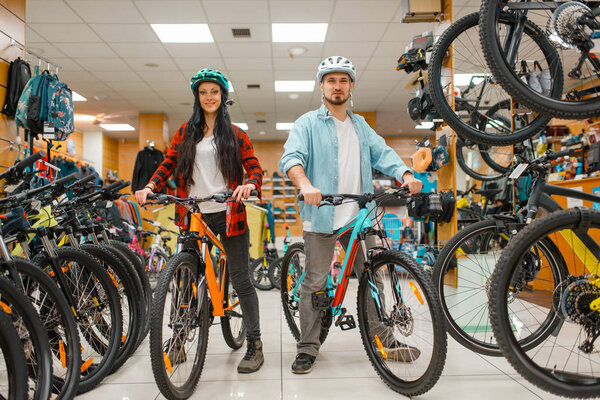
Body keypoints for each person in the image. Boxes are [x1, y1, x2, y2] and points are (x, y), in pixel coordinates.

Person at [279, 56, 424, 374]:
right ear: (322, 86)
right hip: (321, 214)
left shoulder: (360, 126)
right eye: (331, 80)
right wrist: (305, 184)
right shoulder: (307, 123)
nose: (337, 85)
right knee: (315, 282)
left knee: (373, 275)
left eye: (343, 80)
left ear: (351, 86)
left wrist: (406, 174)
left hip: (358, 215)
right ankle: (307, 347)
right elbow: (291, 157)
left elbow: (383, 152)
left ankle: (384, 340)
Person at [135, 68, 264, 373]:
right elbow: (168, 162)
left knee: (242, 279)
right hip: (192, 213)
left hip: (228, 213)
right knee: (183, 277)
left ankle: (255, 345)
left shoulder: (235, 134)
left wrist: (251, 184)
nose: (209, 97)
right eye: (204, 92)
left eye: (214, 92)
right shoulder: (185, 132)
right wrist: (151, 186)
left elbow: (254, 166)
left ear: (223, 96)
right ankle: (179, 339)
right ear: (197, 96)